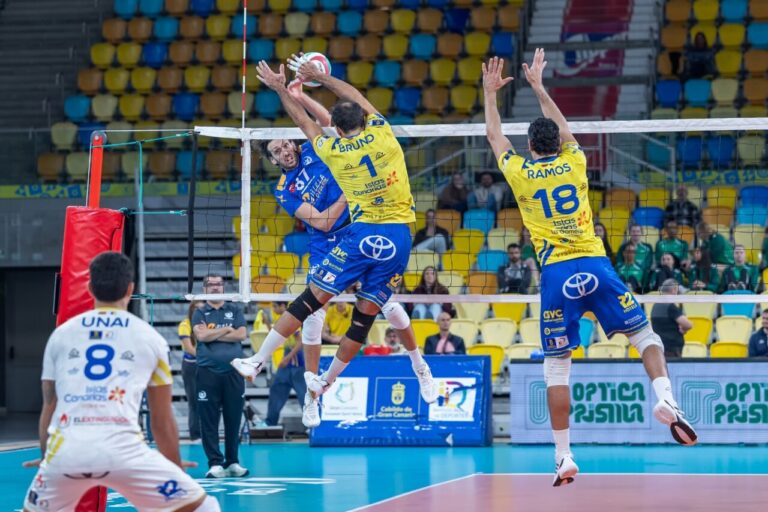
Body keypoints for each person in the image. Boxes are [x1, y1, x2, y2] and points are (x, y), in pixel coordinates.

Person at [483, 50, 697, 487]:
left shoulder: (521, 172)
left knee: (557, 367)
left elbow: (493, 138)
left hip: (557, 274)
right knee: (644, 335)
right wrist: (540, 86)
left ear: (530, 148)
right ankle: (666, 399)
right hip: (595, 264)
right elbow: (563, 128)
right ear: (559, 144)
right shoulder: (575, 160)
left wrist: (490, 94)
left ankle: (563, 456)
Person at [232, 57, 437, 405]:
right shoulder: (383, 133)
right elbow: (352, 97)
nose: (284, 149)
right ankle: (316, 381)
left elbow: (305, 124)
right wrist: (320, 78)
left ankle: (264, 362)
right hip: (397, 236)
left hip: (360, 232)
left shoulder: (331, 151)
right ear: (363, 119)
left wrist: (283, 88)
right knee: (359, 316)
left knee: (318, 300)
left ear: (337, 131)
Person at [22, 252, 219, 512]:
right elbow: (161, 420)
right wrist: (174, 465)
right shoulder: (150, 337)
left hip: (67, 454)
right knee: (205, 507)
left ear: (90, 287)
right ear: (130, 289)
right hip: (125, 454)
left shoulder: (61, 335)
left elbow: (50, 405)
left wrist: (49, 458)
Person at [192, 274, 249, 479]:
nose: (215, 288)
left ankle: (232, 461)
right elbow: (201, 336)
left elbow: (241, 335)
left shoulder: (234, 309)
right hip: (207, 373)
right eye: (211, 285)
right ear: (205, 289)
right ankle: (215, 463)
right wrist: (226, 329)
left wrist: (213, 333)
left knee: (233, 419)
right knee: (209, 419)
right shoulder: (199, 312)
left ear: (223, 287)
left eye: (218, 284)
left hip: (233, 372)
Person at [264, 303, 307, 427]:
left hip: (298, 362)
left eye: (275, 307)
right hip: (287, 361)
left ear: (282, 306)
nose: (273, 309)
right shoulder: (281, 320)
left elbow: (300, 343)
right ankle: (270, 423)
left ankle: (312, 427)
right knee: (276, 391)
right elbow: (275, 337)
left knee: (304, 396)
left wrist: (287, 358)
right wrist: (267, 323)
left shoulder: (293, 320)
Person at [178, 301, 203, 441]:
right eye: (197, 308)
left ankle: (207, 433)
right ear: (192, 310)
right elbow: (189, 348)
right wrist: (206, 357)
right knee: (194, 401)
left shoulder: (207, 323)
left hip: (206, 365)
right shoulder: (185, 325)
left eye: (202, 308)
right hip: (191, 366)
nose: (199, 311)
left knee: (207, 400)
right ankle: (195, 435)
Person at [650, 279, 693, 358]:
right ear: (674, 290)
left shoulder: (655, 306)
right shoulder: (670, 306)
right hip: (671, 349)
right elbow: (688, 325)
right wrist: (683, 329)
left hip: (659, 347)